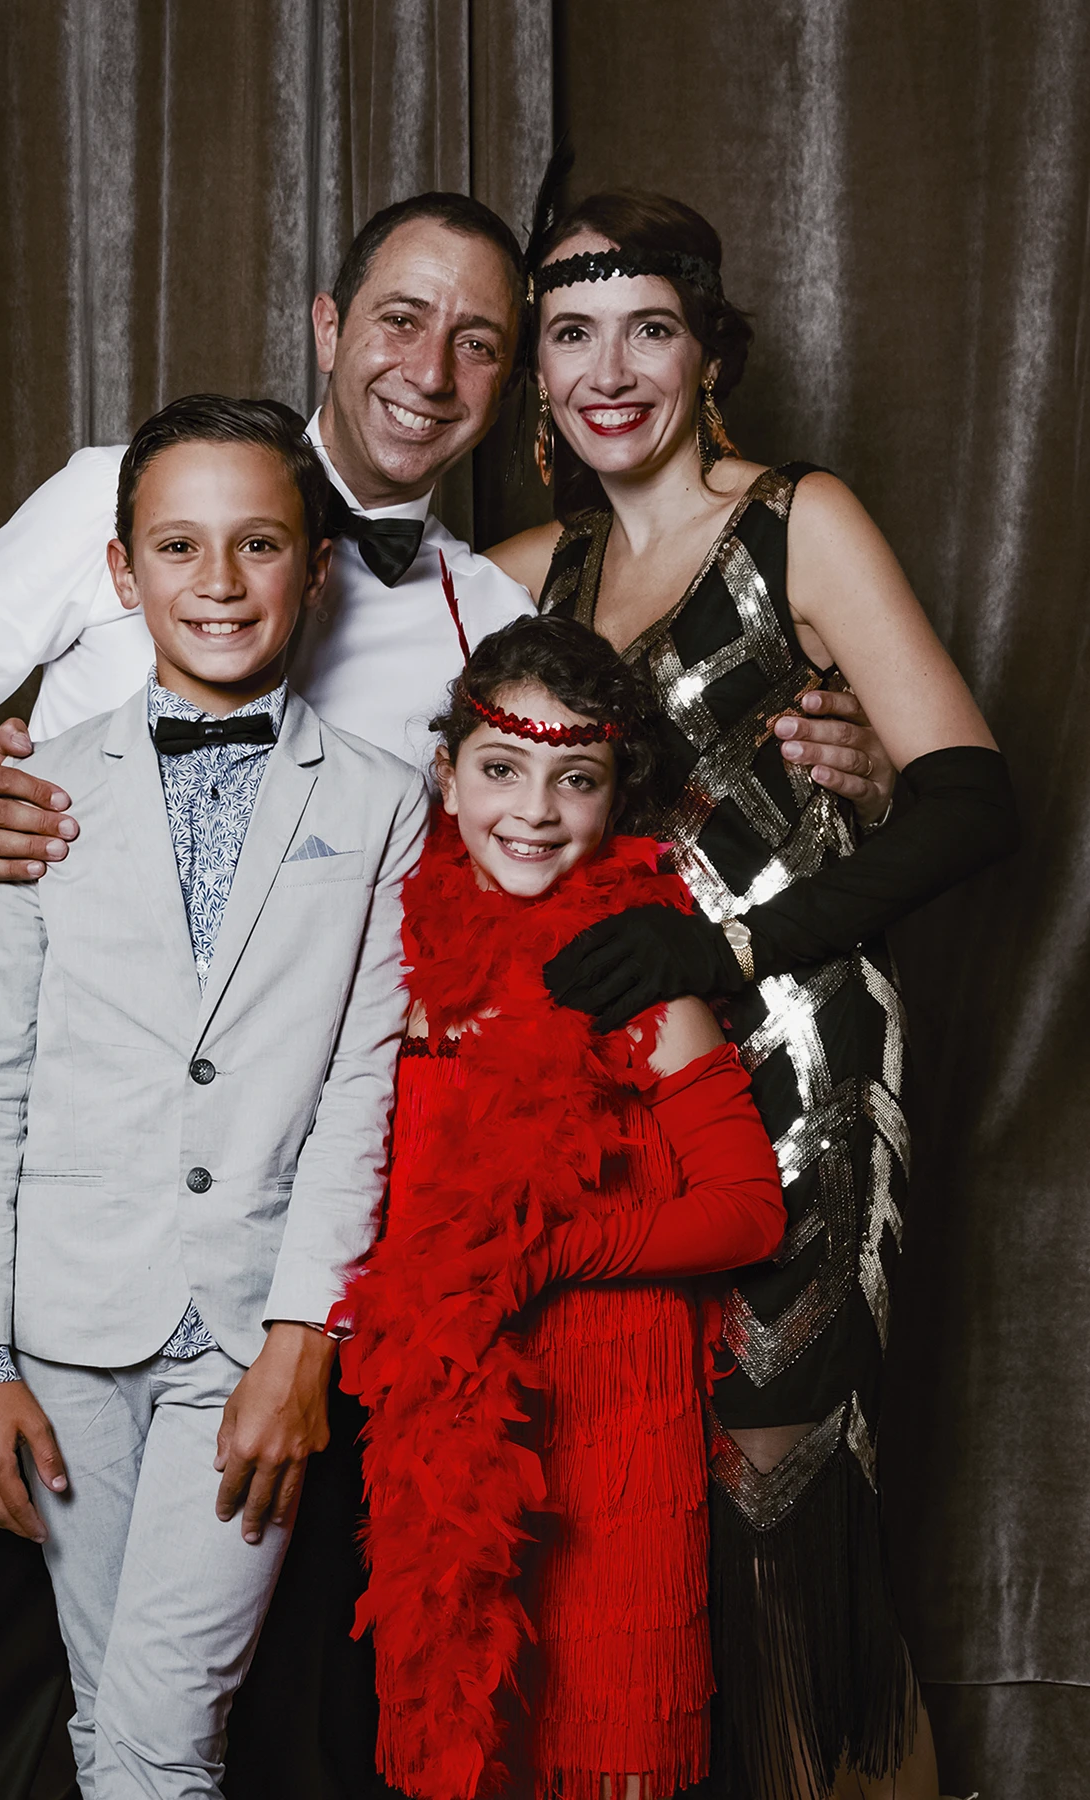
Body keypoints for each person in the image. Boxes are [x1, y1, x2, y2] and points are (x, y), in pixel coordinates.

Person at [0, 187, 892, 1800]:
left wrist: (841, 744)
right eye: (402, 317)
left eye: (483, 340)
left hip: (288, 1154)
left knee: (254, 1619)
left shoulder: (491, 597)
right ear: (332, 328)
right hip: (44, 1094)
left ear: (509, 390)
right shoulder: (114, 498)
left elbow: (588, 770)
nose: (433, 365)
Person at [488, 189, 1017, 1800]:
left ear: (709, 352)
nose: (610, 369)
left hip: (794, 1062)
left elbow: (974, 799)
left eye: (650, 328)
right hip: (614, 1097)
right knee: (642, 1517)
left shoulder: (800, 518)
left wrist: (733, 952)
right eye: (572, 333)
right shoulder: (518, 572)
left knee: (792, 1513)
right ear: (538, 376)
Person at [0, 392, 428, 1797]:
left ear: (314, 567)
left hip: (248, 1334)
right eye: (180, 548)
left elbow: (358, 1090)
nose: (219, 584)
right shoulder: (36, 794)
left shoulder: (387, 802)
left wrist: (302, 1336)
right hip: (65, 1326)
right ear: (122, 572)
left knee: (156, 1733)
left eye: (259, 544)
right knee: (113, 1720)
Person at [337, 613, 786, 1800]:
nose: (532, 811)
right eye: (499, 770)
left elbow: (746, 1213)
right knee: (460, 1731)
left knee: (601, 1744)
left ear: (614, 795)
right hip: (443, 1421)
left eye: (573, 779)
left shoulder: (634, 980)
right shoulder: (391, 958)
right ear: (445, 774)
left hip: (609, 1428)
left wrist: (558, 1249)